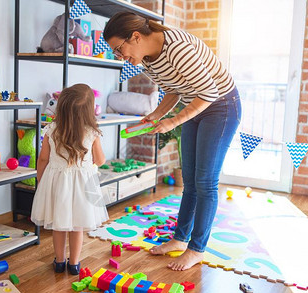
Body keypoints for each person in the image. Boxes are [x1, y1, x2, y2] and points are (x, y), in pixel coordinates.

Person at [104, 12, 241, 271]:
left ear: (135, 36)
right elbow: (175, 89)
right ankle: (180, 239)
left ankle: (197, 249)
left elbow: (210, 92)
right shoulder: (146, 59)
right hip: (195, 104)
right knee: (189, 180)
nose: (119, 57)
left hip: (221, 106)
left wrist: (173, 121)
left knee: (205, 182)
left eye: (119, 49)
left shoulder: (177, 49)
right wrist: (154, 116)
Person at [31, 83, 109, 275]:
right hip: (83, 187)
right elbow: (100, 160)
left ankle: (59, 262)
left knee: (59, 225)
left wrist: (41, 181)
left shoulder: (52, 129)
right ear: (89, 110)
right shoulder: (92, 132)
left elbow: (42, 158)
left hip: (57, 184)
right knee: (77, 227)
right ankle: (74, 264)